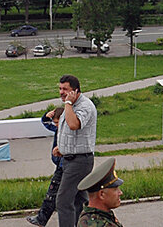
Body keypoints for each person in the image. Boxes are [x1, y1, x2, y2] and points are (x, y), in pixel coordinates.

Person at [50, 73, 97, 227]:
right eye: (60, 88)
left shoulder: (84, 106)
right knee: (80, 200)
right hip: (70, 159)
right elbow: (70, 133)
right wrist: (62, 148)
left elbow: (74, 125)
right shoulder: (69, 106)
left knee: (63, 201)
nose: (61, 92)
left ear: (75, 91)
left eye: (65, 89)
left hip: (80, 161)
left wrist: (68, 104)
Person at [25, 111, 63, 225]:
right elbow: (47, 124)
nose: (56, 125)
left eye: (57, 122)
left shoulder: (66, 131)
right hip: (61, 164)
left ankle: (42, 219)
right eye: (55, 123)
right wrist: (46, 117)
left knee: (52, 193)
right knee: (79, 195)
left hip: (63, 166)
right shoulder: (58, 129)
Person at [76, 158, 124, 227]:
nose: (120, 193)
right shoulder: (102, 224)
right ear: (102, 194)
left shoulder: (87, 216)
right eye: (115, 189)